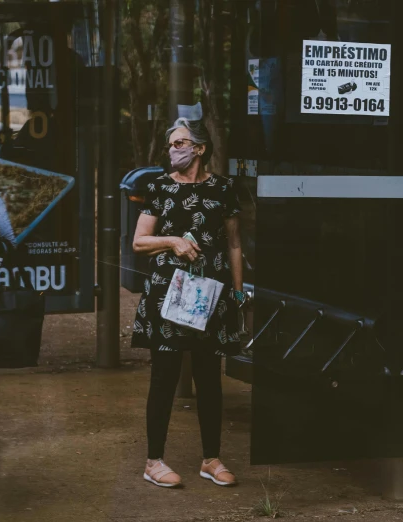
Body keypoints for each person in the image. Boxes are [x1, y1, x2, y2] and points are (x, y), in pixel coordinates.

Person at [131, 117, 246, 488]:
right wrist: (173, 241)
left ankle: (211, 459)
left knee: (209, 378)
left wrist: (239, 293)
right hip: (169, 294)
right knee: (164, 376)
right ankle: (153, 461)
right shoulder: (159, 187)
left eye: (179, 143)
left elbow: (233, 243)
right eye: (170, 144)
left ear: (198, 148)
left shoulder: (224, 189)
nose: (172, 150)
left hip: (211, 295)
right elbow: (139, 241)